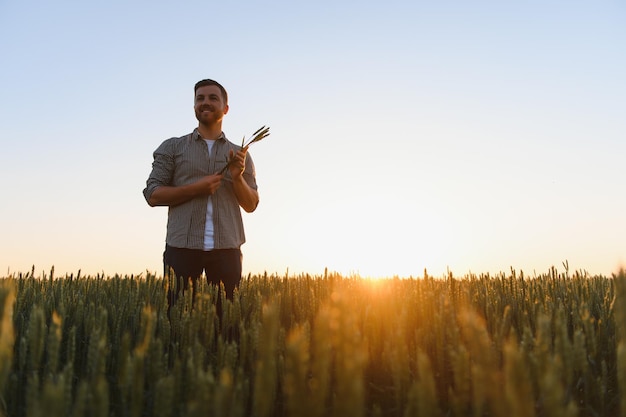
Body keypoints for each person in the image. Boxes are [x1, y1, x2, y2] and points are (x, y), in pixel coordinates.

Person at [143, 79, 259, 313]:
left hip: (227, 248)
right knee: (176, 322)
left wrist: (236, 177)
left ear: (226, 108)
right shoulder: (172, 147)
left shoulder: (240, 154)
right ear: (194, 105)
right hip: (181, 248)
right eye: (200, 98)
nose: (205, 102)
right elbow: (153, 194)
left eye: (213, 98)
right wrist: (196, 189)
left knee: (228, 325)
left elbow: (251, 204)